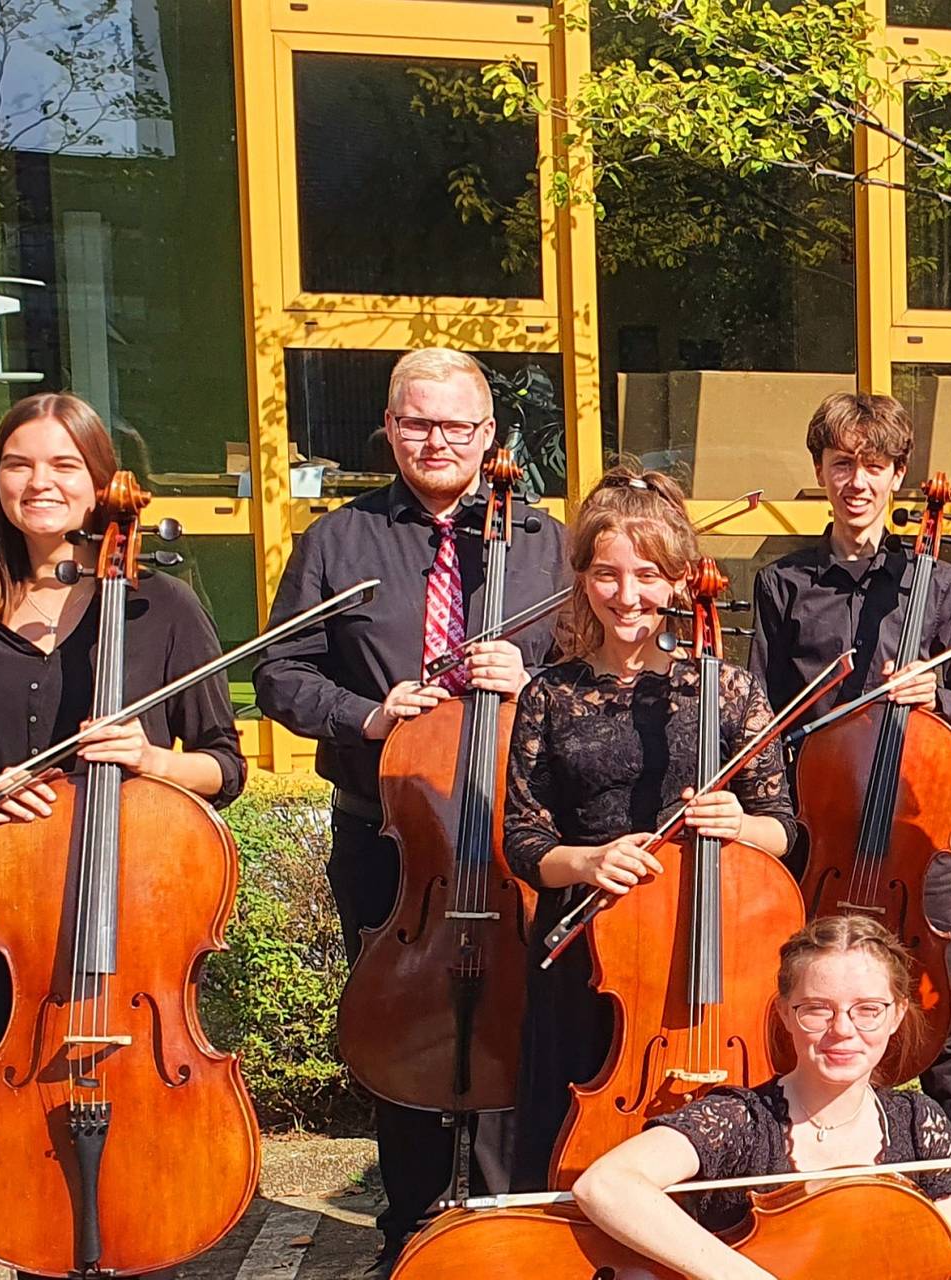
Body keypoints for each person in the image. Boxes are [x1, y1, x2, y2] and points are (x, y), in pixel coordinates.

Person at [0, 393, 246, 1278]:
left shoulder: (159, 605)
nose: (39, 482)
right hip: (4, 920)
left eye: (64, 465)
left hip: (130, 928)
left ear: (102, 484)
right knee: (13, 1145)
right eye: (19, 463)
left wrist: (151, 760)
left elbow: (225, 765)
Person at [253, 347, 568, 1262]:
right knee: (404, 1021)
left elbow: (599, 669)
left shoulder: (542, 543)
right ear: (388, 428)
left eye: (457, 426)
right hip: (389, 838)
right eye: (418, 422)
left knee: (521, 1014)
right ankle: (413, 1229)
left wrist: (535, 675)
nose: (437, 440)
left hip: (517, 834)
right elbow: (280, 673)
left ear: (490, 436)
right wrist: (368, 715)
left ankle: (513, 1224)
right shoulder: (335, 541)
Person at [743, 392, 951, 1265]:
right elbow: (764, 720)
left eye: (876, 466)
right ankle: (799, 1181)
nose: (858, 481)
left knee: (942, 1029)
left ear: (899, 477)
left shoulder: (940, 584)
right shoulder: (785, 583)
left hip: (916, 847)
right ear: (822, 470)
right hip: (823, 843)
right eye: (842, 463)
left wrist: (935, 694)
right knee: (810, 1018)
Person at [571, 914, 951, 1280]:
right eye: (816, 1009)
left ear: (898, 1014)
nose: (842, 1030)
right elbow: (604, 1185)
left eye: (867, 1010)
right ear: (784, 1014)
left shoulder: (917, 1122)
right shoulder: (738, 1120)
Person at [504, 466, 800, 1177]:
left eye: (647, 574)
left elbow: (785, 829)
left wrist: (737, 824)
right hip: (591, 958)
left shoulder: (727, 688)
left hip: (714, 957)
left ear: (678, 581)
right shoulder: (550, 692)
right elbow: (523, 838)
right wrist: (587, 860)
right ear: (583, 578)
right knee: (567, 1149)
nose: (628, 596)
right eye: (607, 574)